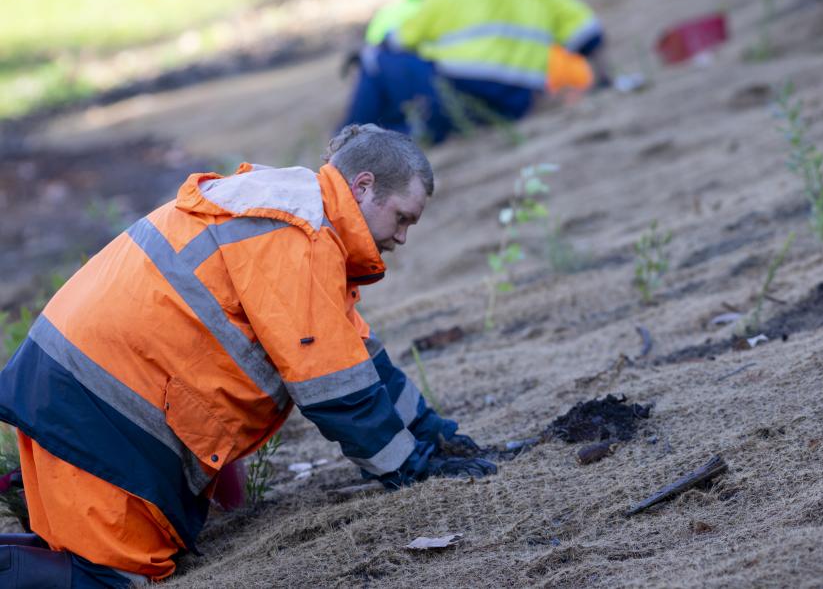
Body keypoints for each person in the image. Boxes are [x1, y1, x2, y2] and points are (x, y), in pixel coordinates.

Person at [0, 125, 495, 587]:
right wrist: (410, 470)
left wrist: (435, 436)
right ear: (363, 187)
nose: (402, 237)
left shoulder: (298, 217)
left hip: (79, 387)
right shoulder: (299, 234)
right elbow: (333, 390)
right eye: (402, 217)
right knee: (112, 575)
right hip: (93, 398)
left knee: (100, 557)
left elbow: (360, 364)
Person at [339, 0, 609, 144]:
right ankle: (401, 132)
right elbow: (588, 34)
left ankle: (348, 142)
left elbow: (399, 40)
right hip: (519, 102)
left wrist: (370, 50)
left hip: (461, 91)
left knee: (374, 59)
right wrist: (604, 78)